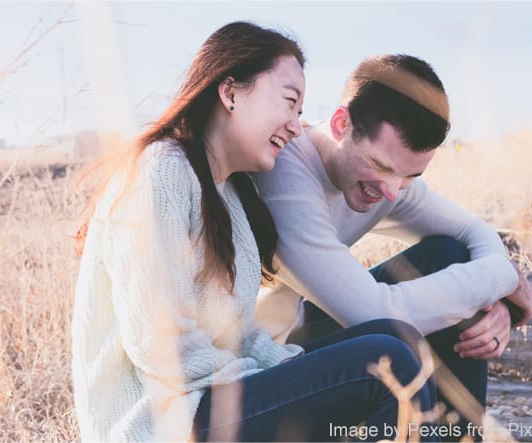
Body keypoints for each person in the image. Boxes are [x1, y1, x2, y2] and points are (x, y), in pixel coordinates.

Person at [72, 24, 438, 442]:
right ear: (230, 93)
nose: (297, 127)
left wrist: (283, 367)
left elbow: (234, 332)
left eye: (301, 113)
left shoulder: (227, 194)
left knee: (396, 335)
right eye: (288, 103)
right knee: (384, 361)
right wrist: (267, 378)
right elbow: (159, 344)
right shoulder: (161, 171)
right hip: (162, 422)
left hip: (210, 400)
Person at [251, 54, 532, 440]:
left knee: (449, 254)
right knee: (400, 336)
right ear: (340, 124)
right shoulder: (285, 173)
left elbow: (473, 231)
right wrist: (499, 279)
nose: (391, 190)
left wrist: (494, 301)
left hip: (298, 334)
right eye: (381, 166)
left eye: (410, 175)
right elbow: (373, 312)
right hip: (257, 368)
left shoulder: (390, 181)